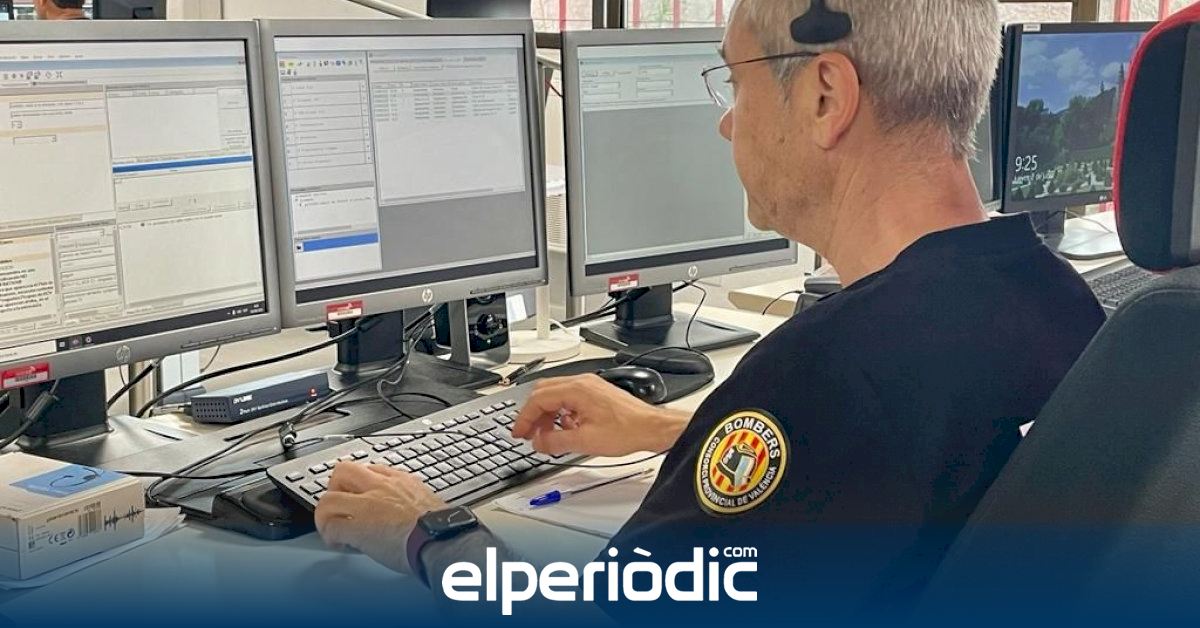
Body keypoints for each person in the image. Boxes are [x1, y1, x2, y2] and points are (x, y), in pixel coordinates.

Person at [314, 0, 1106, 619]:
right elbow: (905, 464)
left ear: (826, 96)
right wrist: (676, 432)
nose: (728, 121)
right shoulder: (1053, 297)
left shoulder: (828, 371)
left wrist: (428, 533)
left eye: (735, 81)